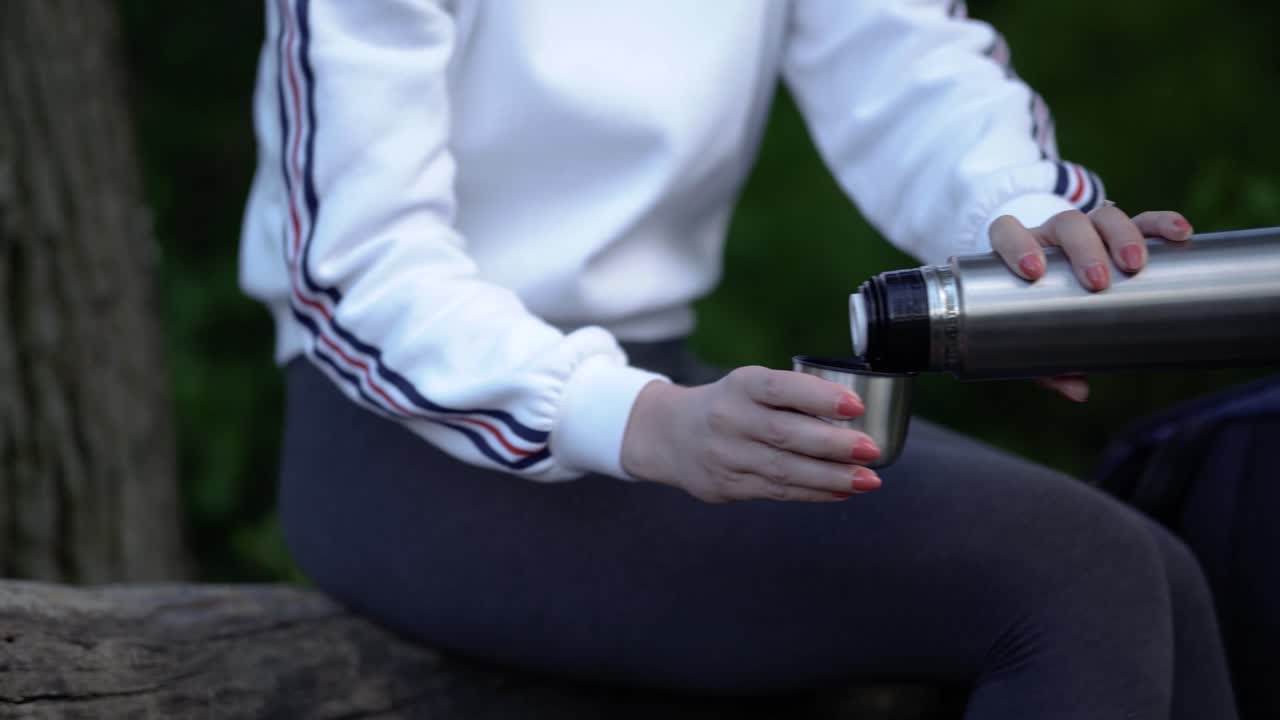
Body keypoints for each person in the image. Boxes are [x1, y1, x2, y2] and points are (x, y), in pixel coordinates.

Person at [240, 1, 1239, 717]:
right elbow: (355, 266)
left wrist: (1017, 220)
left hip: (657, 382)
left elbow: (900, 59)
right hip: (407, 428)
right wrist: (640, 419)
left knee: (1163, 574)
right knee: (1080, 580)